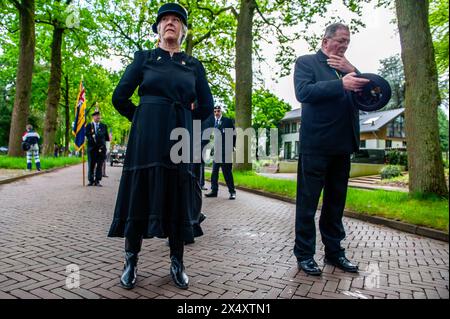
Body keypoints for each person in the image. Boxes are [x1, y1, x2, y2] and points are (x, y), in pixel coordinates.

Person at [108, 3, 214, 290]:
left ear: (183, 30)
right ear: (157, 28)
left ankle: (177, 262)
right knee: (139, 193)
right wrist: (142, 118)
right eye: (165, 20)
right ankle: (131, 260)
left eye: (176, 20)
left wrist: (183, 119)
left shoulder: (193, 65)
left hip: (180, 140)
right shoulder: (144, 59)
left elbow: (206, 106)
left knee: (177, 195)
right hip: (147, 139)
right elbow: (120, 98)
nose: (170, 23)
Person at [293, 23, 370, 276]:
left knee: (335, 205)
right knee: (307, 204)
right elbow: (303, 92)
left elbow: (371, 94)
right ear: (325, 41)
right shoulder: (306, 63)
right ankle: (304, 255)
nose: (345, 45)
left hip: (342, 147)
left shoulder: (348, 68)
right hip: (316, 146)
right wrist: (341, 85)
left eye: (348, 42)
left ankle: (334, 253)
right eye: (341, 40)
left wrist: (353, 70)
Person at [205, 105, 236, 200]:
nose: (217, 113)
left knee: (227, 173)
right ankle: (214, 191)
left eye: (218, 111)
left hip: (225, 152)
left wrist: (232, 146)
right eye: (215, 111)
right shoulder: (213, 123)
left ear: (221, 111)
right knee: (214, 173)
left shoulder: (227, 121)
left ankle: (232, 192)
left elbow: (233, 135)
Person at [86, 109, 110, 187]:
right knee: (91, 165)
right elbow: (87, 136)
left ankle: (97, 181)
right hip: (92, 149)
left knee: (99, 165)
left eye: (99, 115)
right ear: (93, 117)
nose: (98, 117)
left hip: (101, 149)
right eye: (96, 115)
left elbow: (106, 138)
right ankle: (91, 180)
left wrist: (106, 147)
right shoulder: (89, 126)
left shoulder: (103, 126)